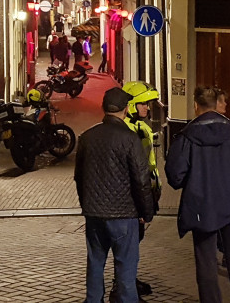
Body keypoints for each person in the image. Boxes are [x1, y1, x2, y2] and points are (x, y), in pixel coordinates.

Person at [166, 86, 230, 303]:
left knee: (206, 264)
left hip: (201, 207)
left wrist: (192, 181)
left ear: (196, 106)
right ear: (217, 104)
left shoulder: (187, 136)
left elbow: (175, 175)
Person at [74, 87, 154, 303]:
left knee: (95, 264)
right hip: (124, 215)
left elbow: (79, 177)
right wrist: (146, 212)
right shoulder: (130, 139)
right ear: (126, 110)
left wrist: (87, 205)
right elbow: (141, 179)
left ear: (103, 108)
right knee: (126, 267)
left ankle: (93, 300)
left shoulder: (87, 137)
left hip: (95, 214)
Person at [121, 81, 162, 296]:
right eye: (143, 104)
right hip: (134, 197)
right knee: (129, 243)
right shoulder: (128, 131)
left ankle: (128, 280)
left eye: (148, 104)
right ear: (132, 105)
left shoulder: (142, 127)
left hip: (145, 191)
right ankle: (125, 285)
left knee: (135, 241)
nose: (147, 107)